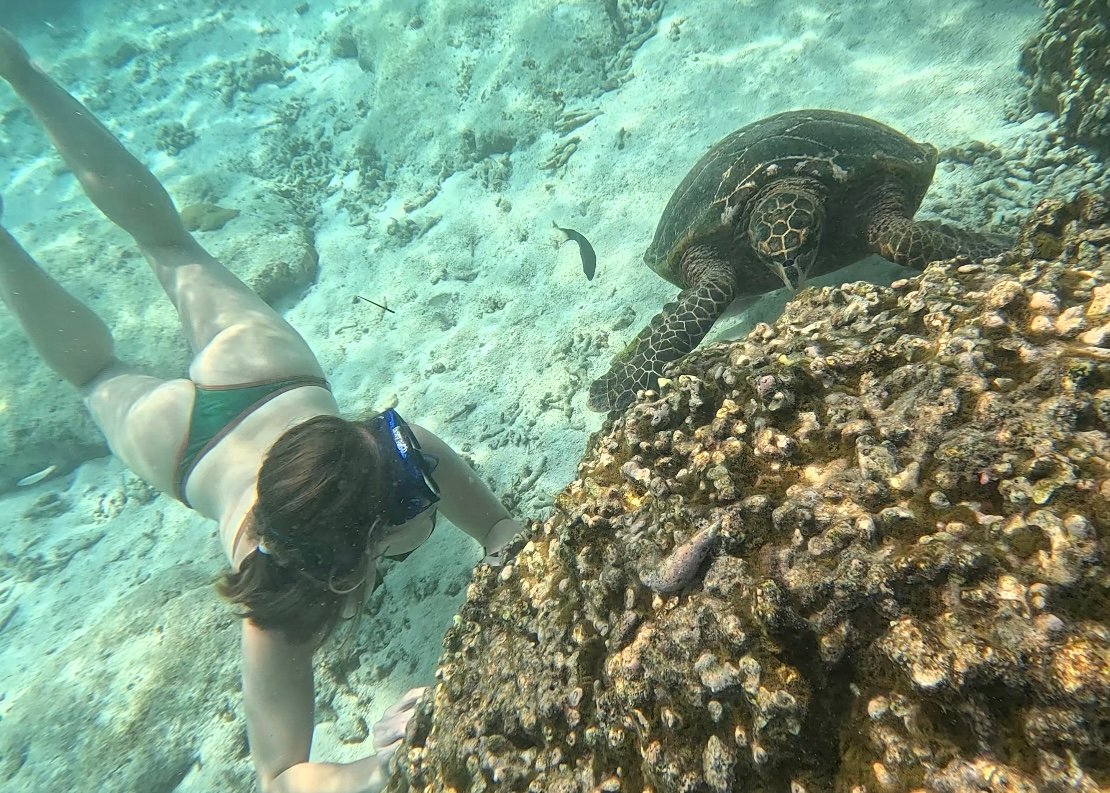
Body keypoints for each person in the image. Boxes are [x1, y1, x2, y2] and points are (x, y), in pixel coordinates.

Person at [0, 28, 520, 793]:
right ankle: (25, 82)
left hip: (251, 390)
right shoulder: (279, 597)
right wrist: (383, 765)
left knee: (139, 293)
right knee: (127, 313)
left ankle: (20, 76)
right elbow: (280, 772)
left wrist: (508, 544)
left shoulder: (395, 453)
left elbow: (493, 519)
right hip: (218, 421)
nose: (408, 472)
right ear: (335, 569)